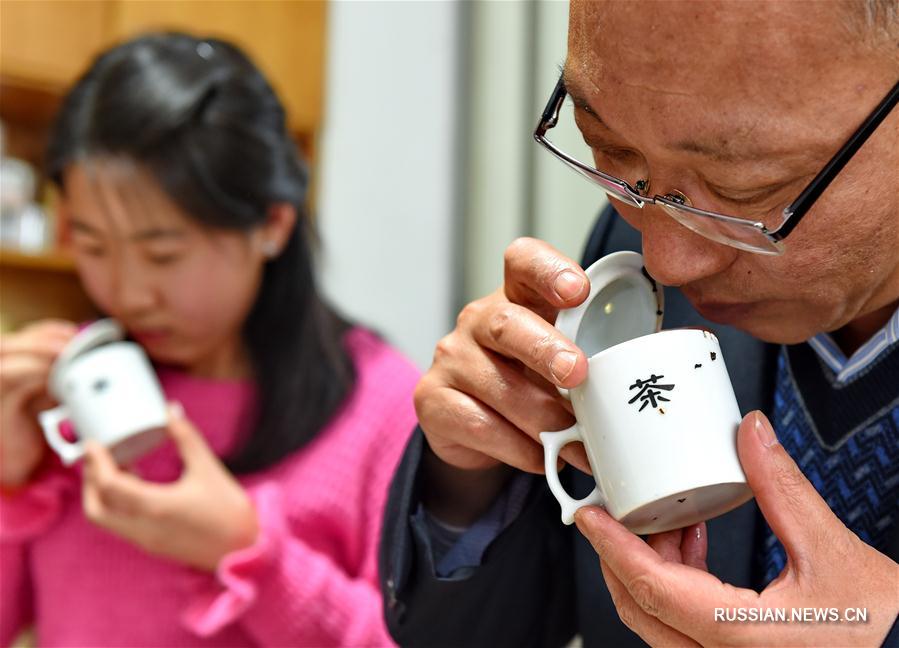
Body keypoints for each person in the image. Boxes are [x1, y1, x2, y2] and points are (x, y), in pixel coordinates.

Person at [379, 1, 899, 646]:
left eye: (742, 190)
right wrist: (474, 474)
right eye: (613, 152)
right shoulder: (634, 270)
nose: (665, 258)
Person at [0, 33, 418, 647]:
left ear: (272, 225)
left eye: (162, 254)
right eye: (91, 246)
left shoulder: (382, 406)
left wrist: (249, 553)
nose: (127, 291)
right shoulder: (63, 392)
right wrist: (7, 476)